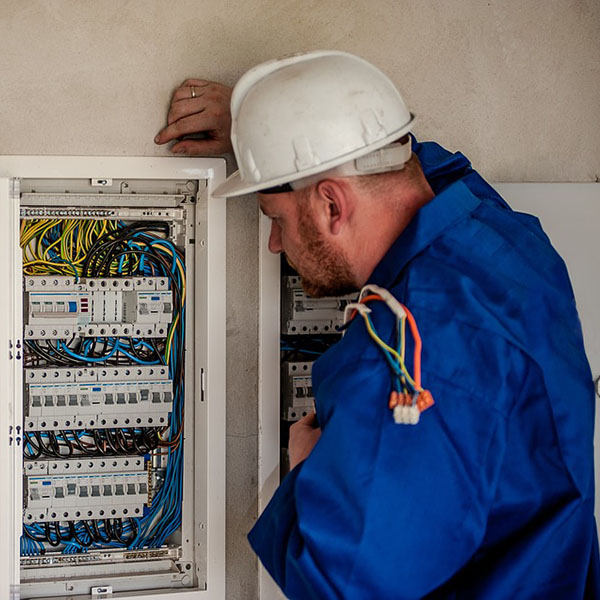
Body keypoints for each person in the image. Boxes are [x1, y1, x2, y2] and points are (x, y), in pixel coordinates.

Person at [156, 51, 600, 599]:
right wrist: (265, 131)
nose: (275, 243)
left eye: (276, 219)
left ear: (332, 205)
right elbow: (416, 164)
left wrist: (308, 473)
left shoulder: (408, 355)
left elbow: (343, 583)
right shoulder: (509, 240)